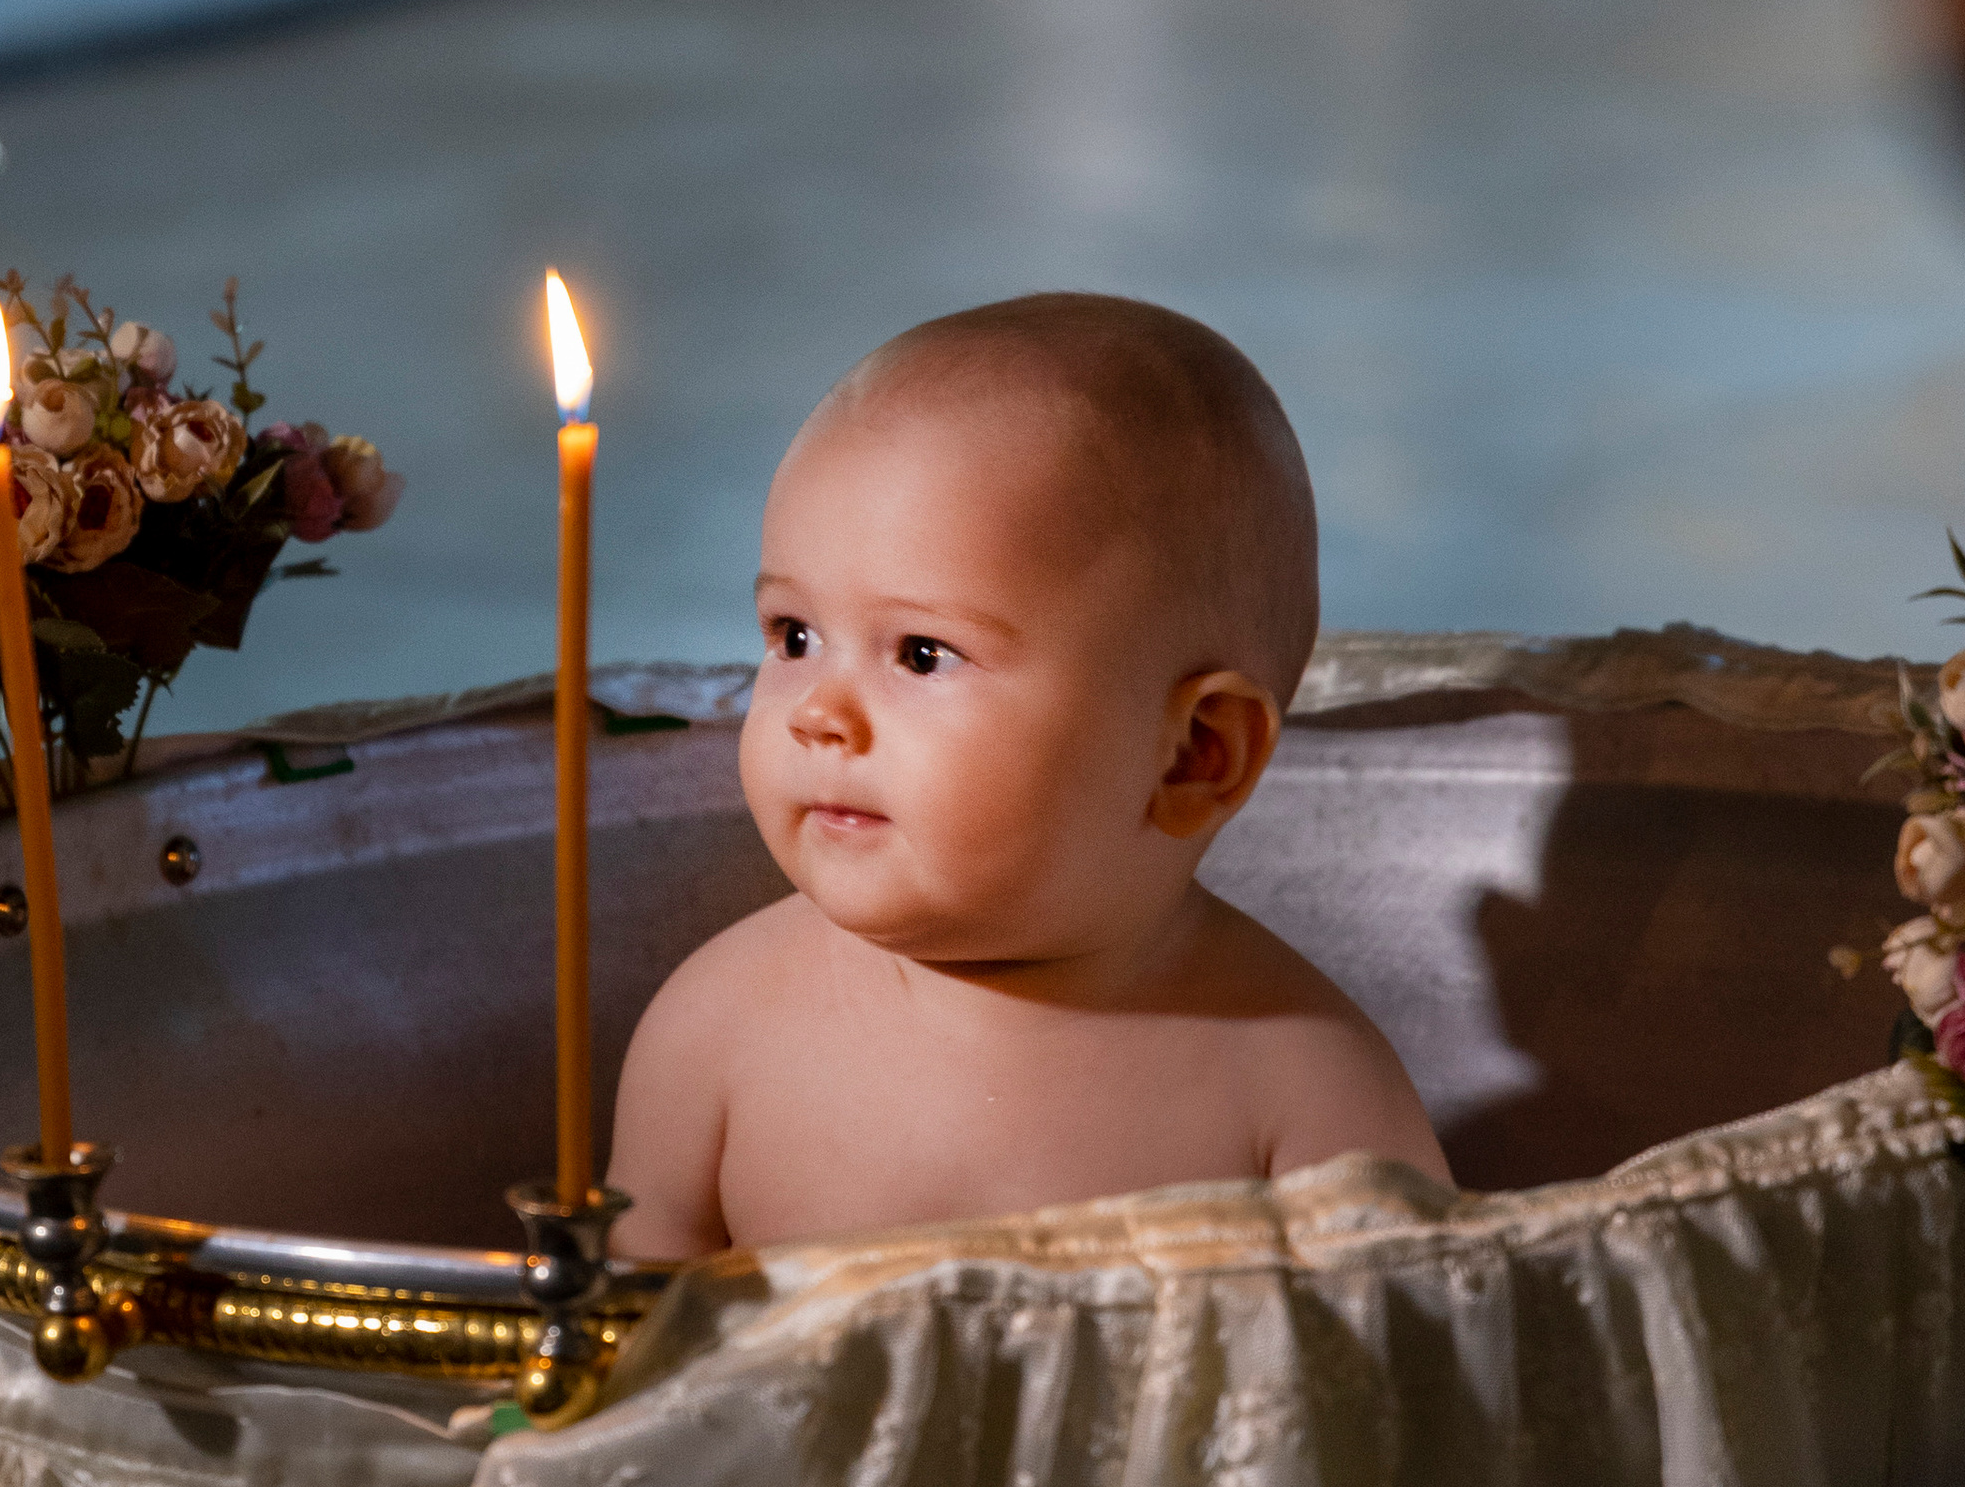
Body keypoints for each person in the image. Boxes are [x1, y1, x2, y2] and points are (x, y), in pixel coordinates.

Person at [611, 291, 1447, 1257]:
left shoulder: (1299, 1086)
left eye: (923, 654)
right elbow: (628, 1360)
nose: (817, 713)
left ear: (1194, 755)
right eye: (794, 635)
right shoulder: (717, 1030)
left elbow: (1422, 1377)